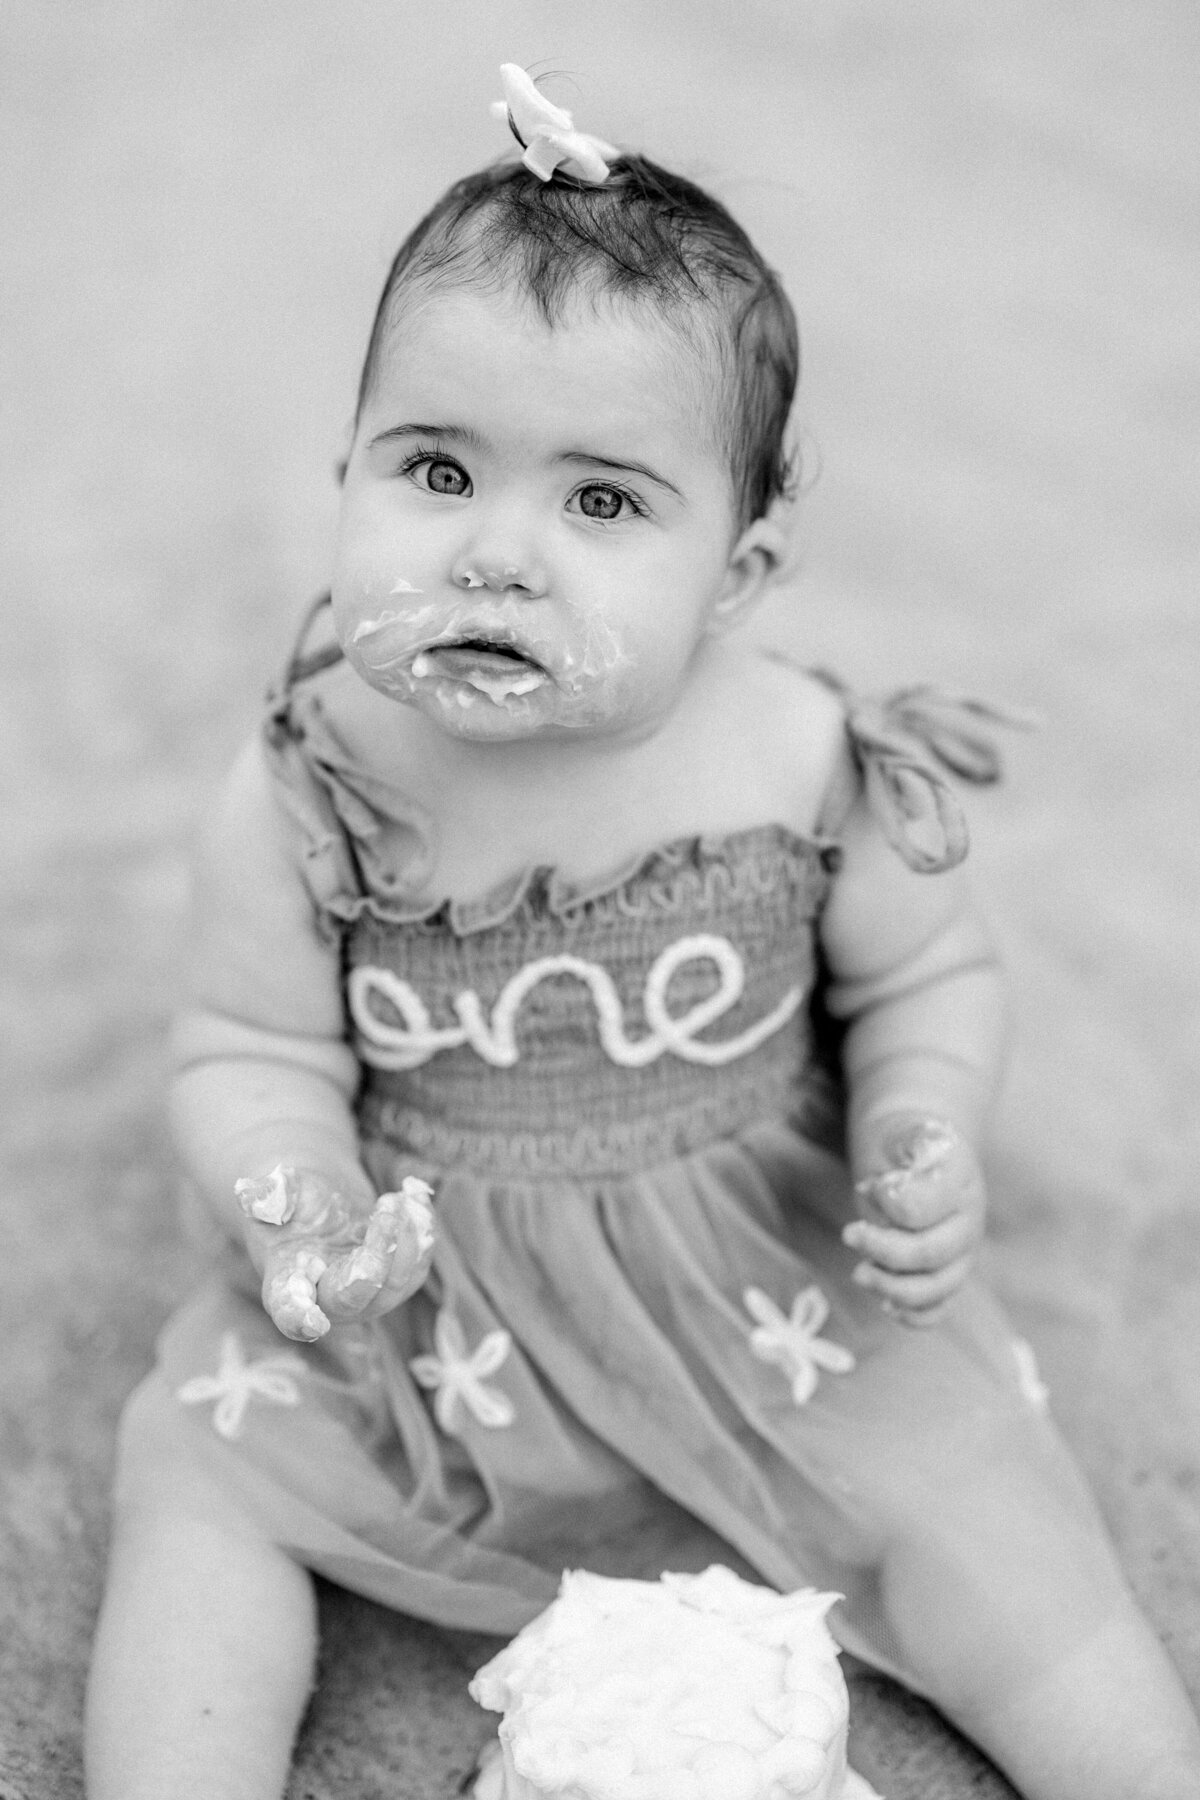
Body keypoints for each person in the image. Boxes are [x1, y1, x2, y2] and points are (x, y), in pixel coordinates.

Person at [85, 65, 1200, 1800]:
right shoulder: (312, 779)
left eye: (603, 501)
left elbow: (926, 974)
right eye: (436, 469)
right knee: (200, 1473)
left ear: (739, 576)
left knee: (981, 1503)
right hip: (428, 1275)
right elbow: (248, 1044)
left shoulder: (808, 758)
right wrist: (291, 1195)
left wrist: (921, 1126)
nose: (498, 553)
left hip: (759, 1266)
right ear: (345, 473)